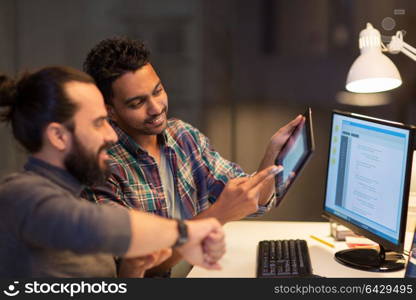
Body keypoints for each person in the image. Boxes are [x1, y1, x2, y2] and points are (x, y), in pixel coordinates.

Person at [82, 37, 302, 274]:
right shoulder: (102, 168)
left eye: (158, 91)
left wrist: (272, 156)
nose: (156, 108)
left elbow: (251, 200)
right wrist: (218, 214)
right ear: (110, 110)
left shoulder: (183, 136)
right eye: (137, 103)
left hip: (200, 271)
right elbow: (142, 269)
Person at [0, 66, 226, 277]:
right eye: (98, 123)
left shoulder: (73, 193)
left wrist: (131, 270)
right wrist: (185, 234)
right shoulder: (18, 196)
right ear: (58, 137)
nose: (112, 135)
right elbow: (96, 224)